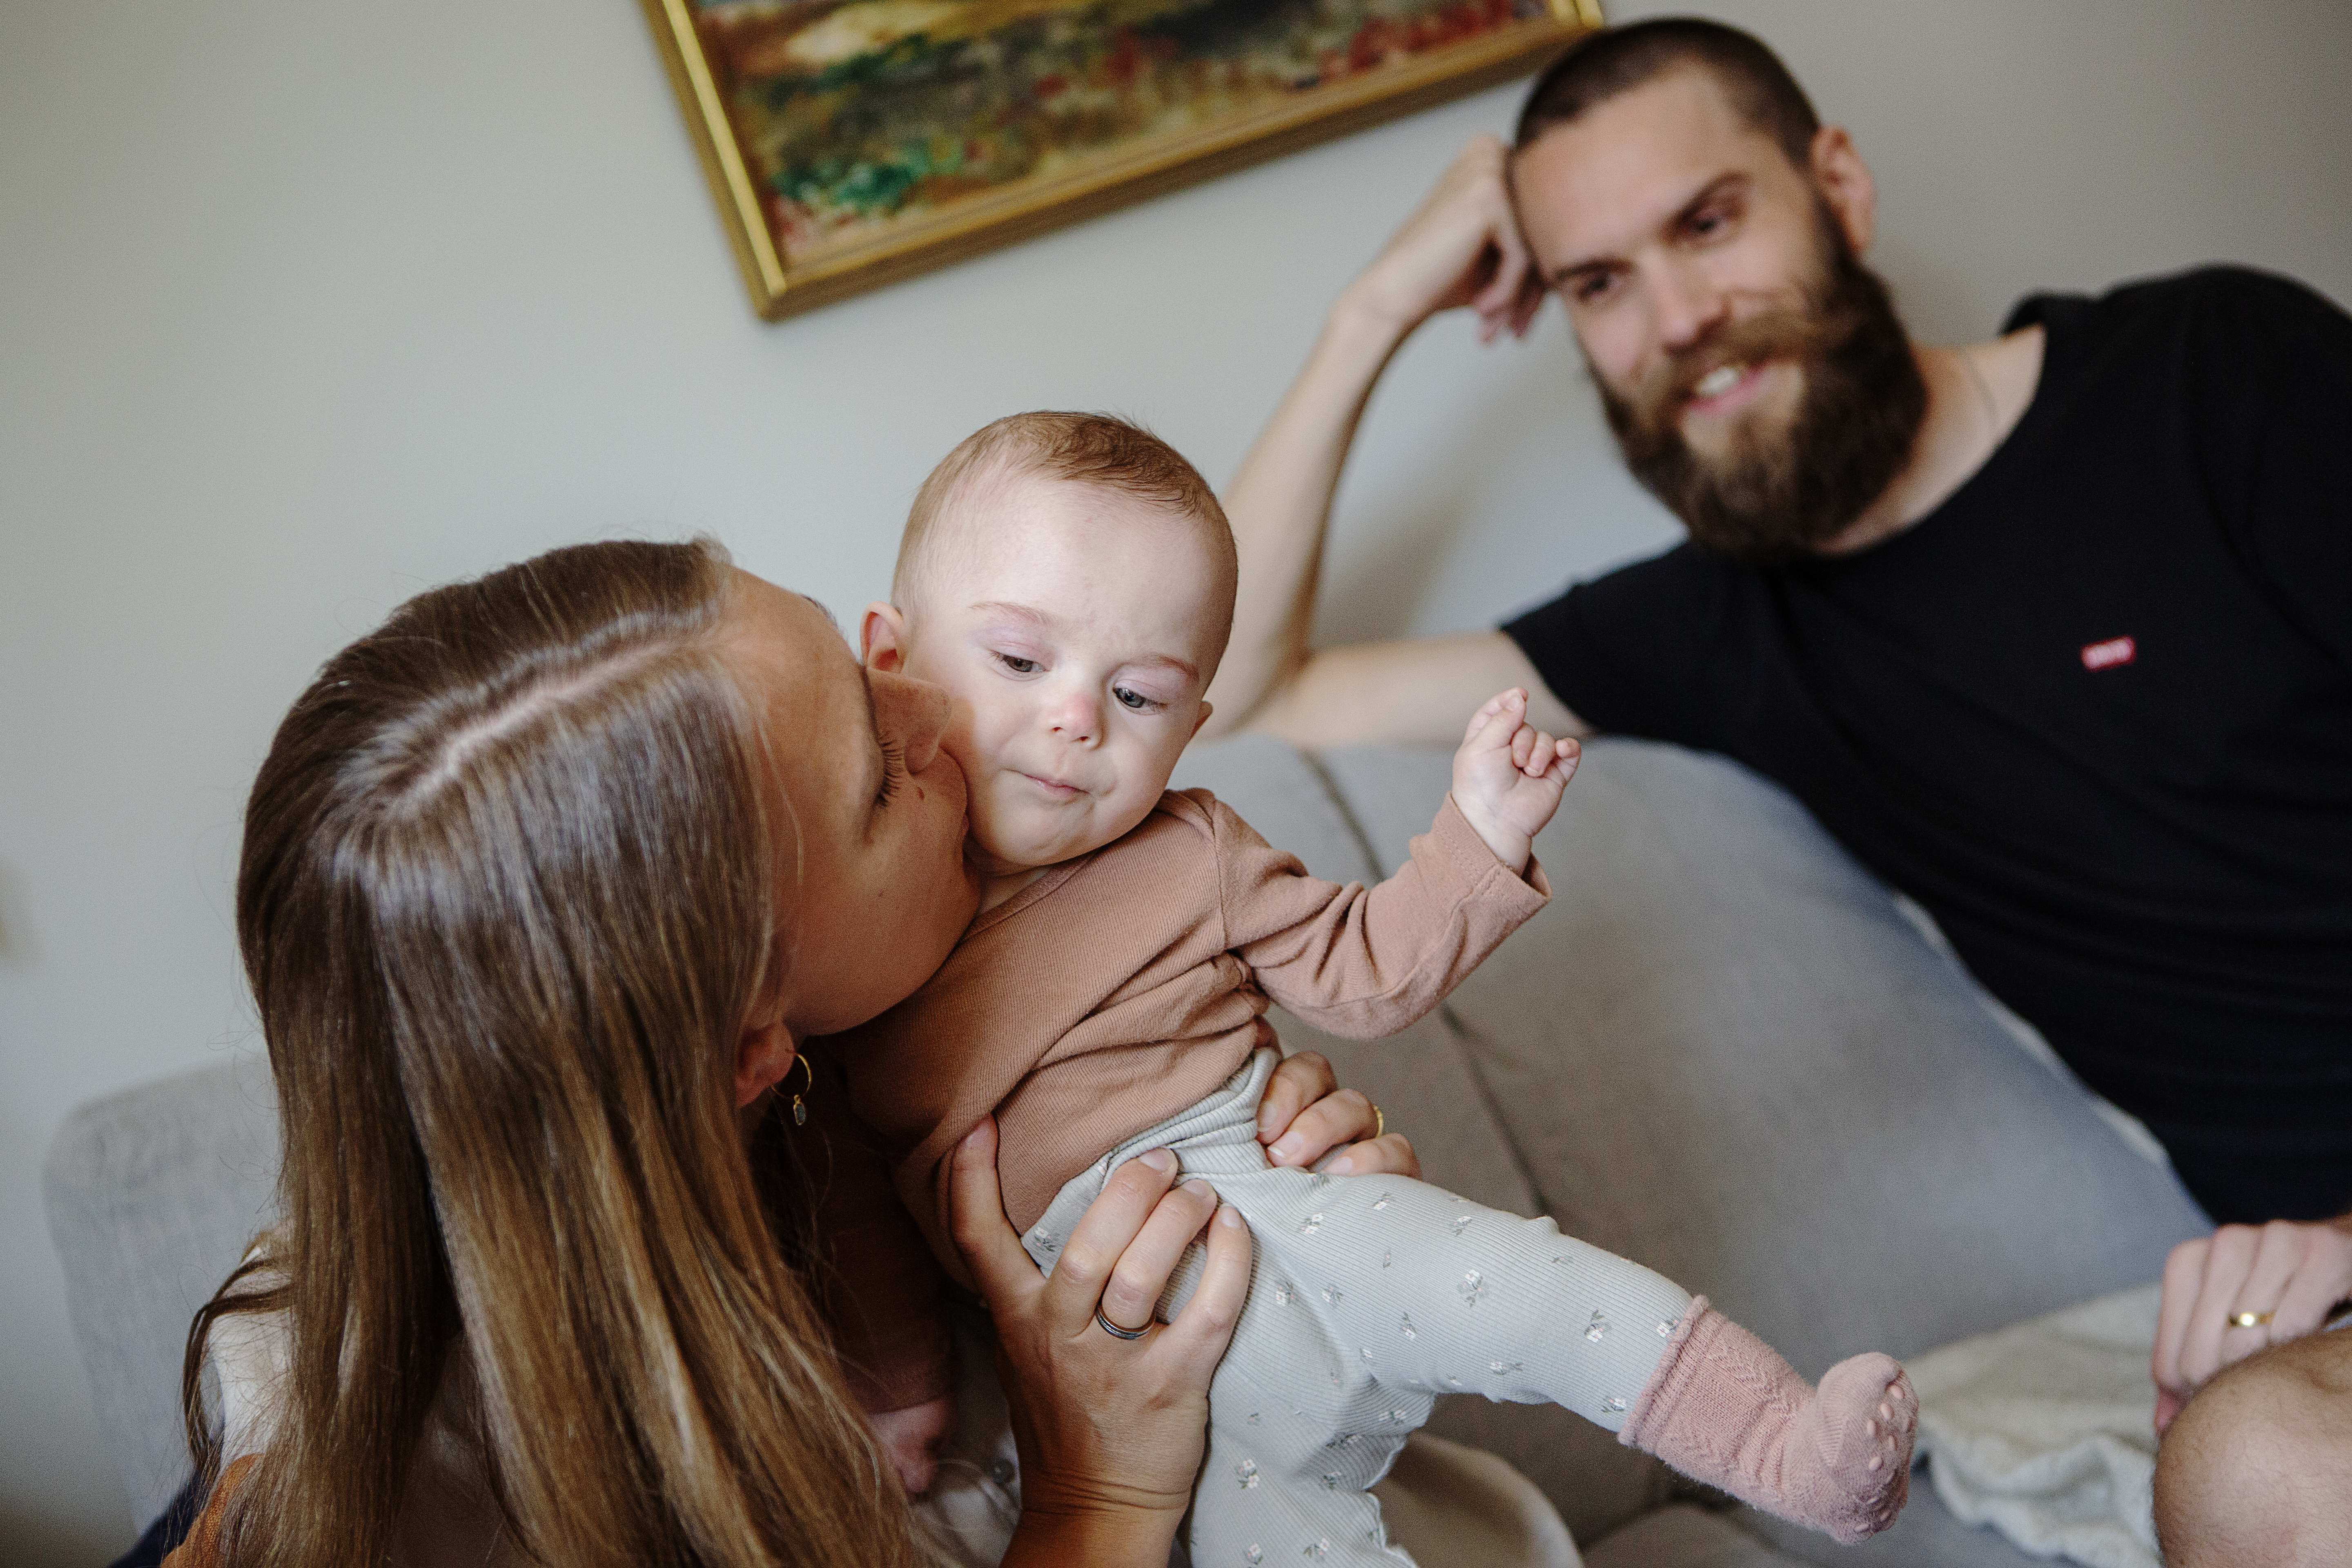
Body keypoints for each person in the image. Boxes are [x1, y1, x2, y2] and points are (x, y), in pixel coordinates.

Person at [1196, 14, 2352, 1556]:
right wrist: (1374, 310)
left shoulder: (2214, 378)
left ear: (1842, 191)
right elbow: (1231, 692)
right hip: (2306, 1317)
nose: (1679, 317)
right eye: (1599, 284)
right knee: (2261, 1465)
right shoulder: (1712, 630)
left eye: (1710, 222)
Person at [158, 537, 1427, 1568]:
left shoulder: (927, 1041)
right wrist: (1096, 1506)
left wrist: (1275, 1191)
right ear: (746, 1052)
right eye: (880, 782)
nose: (948, 715)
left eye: (859, 662)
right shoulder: (404, 1488)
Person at [810, 409, 1915, 1566]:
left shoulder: (1192, 855)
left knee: (1537, 1291)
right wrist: (902, 1390)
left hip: (1310, 1219)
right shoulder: (861, 956)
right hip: (1142, 1386)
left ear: (1191, 728)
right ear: (891, 663)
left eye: (1137, 697)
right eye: (1021, 662)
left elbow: (1364, 968)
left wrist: (1476, 837)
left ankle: (1793, 1449)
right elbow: (854, 1199)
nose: (1075, 716)